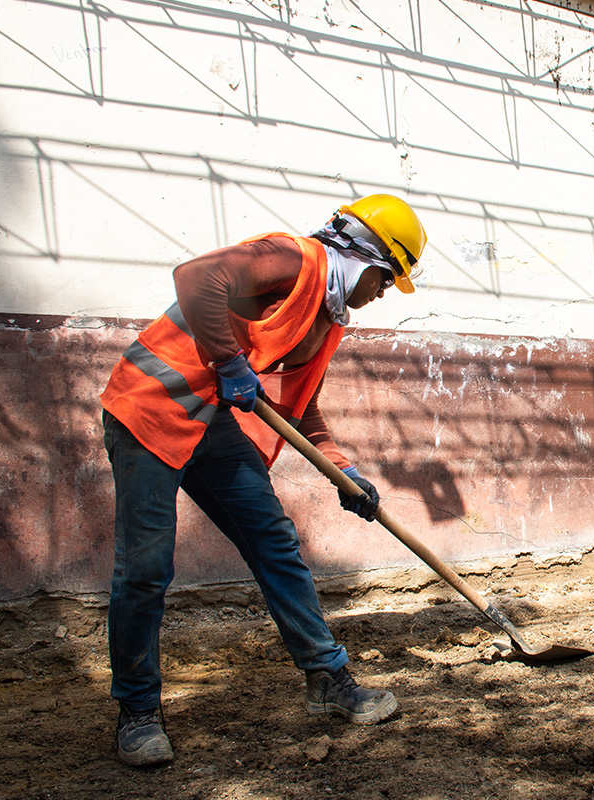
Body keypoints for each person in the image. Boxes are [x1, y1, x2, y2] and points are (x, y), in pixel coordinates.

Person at [100, 194, 427, 767]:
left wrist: (343, 473)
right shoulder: (293, 259)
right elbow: (196, 277)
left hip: (210, 421)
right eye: (385, 279)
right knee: (146, 568)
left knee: (274, 542)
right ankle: (138, 713)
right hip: (147, 410)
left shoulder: (327, 320)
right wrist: (228, 362)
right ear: (367, 257)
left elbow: (303, 411)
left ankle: (328, 680)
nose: (381, 294)